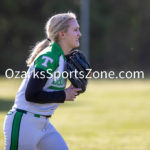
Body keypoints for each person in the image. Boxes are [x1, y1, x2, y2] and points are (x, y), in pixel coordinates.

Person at [3, 12, 82, 150]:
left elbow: (58, 91)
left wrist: (78, 84)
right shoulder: (50, 57)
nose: (79, 34)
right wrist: (64, 95)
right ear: (62, 34)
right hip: (24, 122)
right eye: (75, 30)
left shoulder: (62, 58)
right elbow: (32, 94)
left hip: (43, 124)